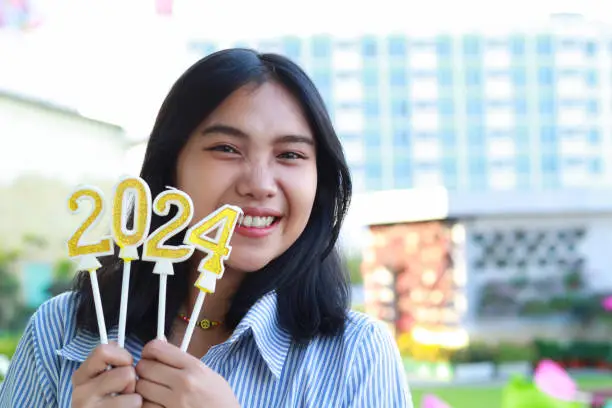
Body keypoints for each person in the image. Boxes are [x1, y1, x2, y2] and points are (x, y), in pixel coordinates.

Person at [0, 48, 413, 407]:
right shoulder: (59, 332)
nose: (259, 184)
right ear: (171, 167)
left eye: (289, 154)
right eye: (226, 149)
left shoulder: (357, 354)